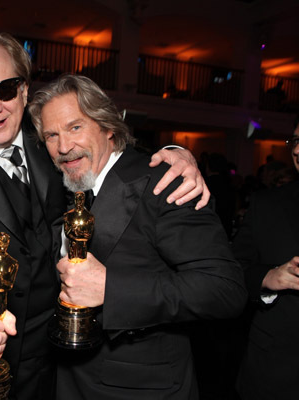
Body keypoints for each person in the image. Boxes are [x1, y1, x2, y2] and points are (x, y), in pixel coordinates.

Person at [0, 32, 211, 399]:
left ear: (24, 90)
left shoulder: (51, 140)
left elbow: (108, 148)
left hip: (72, 361)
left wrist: (175, 152)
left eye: (5, 89)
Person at [27, 74, 246, 399]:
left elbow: (225, 288)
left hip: (142, 389)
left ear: (108, 125)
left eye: (75, 127)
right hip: (68, 379)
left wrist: (112, 290)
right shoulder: (65, 186)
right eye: (51, 135)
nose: (63, 146)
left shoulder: (166, 181)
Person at [233, 118, 299, 400]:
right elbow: (233, 268)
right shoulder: (267, 205)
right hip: (277, 372)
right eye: (296, 141)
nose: (297, 150)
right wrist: (267, 277)